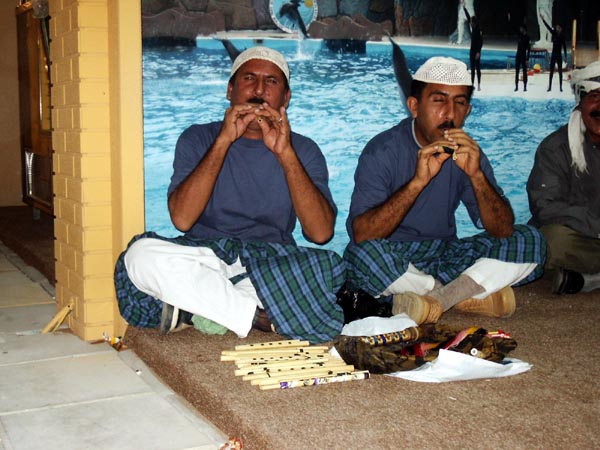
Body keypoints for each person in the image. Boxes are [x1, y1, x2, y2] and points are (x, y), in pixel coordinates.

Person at [113, 47, 346, 343]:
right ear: (230, 90)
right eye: (249, 78)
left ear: (286, 98)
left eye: (271, 82)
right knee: (139, 256)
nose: (259, 90)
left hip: (270, 260)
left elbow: (321, 233)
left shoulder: (304, 149)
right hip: (206, 253)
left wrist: (285, 153)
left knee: (331, 267)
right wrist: (224, 140)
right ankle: (255, 316)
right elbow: (182, 220)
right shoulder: (198, 138)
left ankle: (196, 309)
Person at [344, 56, 546, 325]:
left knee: (531, 239)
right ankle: (468, 295)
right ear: (414, 106)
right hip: (395, 257)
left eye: (459, 102)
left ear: (468, 110)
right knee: (361, 255)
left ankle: (438, 300)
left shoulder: (469, 153)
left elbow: (503, 230)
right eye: (439, 100)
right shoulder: (382, 150)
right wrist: (417, 182)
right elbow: (364, 234)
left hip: (445, 254)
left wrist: (476, 175)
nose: (450, 113)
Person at [527, 60, 600, 295]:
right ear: (580, 102)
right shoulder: (555, 148)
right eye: (595, 96)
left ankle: (588, 281)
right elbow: (545, 207)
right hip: (581, 240)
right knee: (549, 242)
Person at [541, 16, 568, 92]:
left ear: (560, 29)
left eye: (558, 28)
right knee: (551, 71)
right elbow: (548, 27)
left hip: (559, 55)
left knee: (560, 71)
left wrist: (565, 56)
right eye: (556, 27)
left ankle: (560, 87)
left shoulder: (562, 37)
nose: (557, 29)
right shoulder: (554, 33)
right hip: (554, 54)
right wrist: (543, 20)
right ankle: (549, 87)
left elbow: (565, 47)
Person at [463, 1, 482, 91]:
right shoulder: (473, 27)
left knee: (477, 68)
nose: (471, 24)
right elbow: (468, 16)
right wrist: (464, 8)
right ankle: (472, 84)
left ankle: (478, 84)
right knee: (472, 68)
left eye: (472, 23)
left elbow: (481, 42)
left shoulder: (478, 30)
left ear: (475, 23)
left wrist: (478, 52)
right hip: (472, 50)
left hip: (476, 51)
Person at [514, 23, 531, 92]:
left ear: (524, 29)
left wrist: (527, 58)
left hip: (523, 56)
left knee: (524, 72)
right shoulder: (519, 35)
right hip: (518, 55)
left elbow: (529, 49)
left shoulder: (527, 37)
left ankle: (525, 86)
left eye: (521, 28)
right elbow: (514, 28)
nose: (520, 29)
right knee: (517, 72)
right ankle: (516, 86)